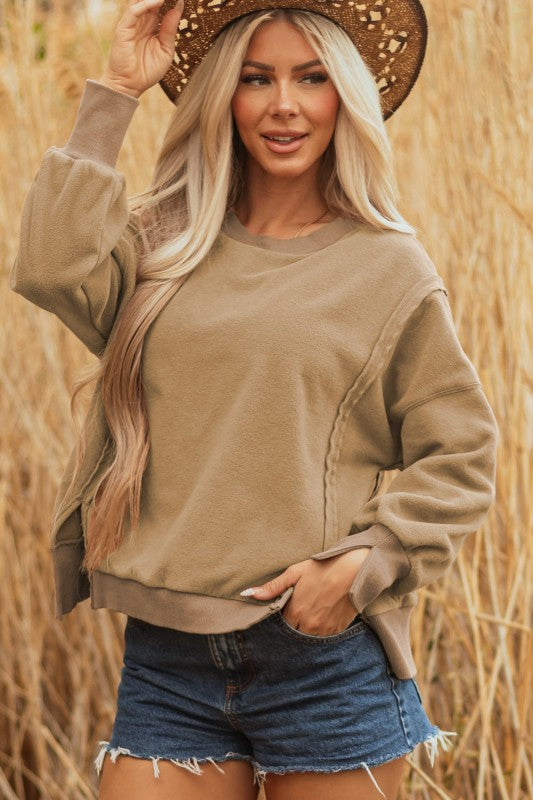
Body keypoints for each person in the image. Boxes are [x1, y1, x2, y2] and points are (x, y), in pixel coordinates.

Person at [10, 0, 499, 798]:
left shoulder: (389, 269)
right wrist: (117, 89)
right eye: (254, 77)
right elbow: (49, 268)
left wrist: (367, 562)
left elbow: (462, 451)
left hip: (324, 661)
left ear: (343, 96)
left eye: (310, 78)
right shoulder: (166, 240)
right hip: (167, 657)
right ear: (221, 97)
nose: (283, 104)